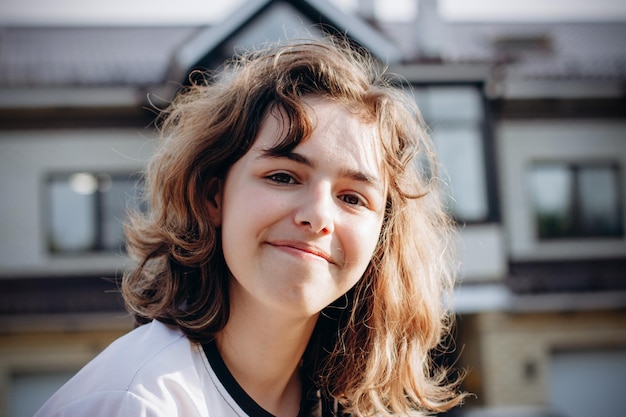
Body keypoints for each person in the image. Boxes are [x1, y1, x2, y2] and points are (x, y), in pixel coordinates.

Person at [35, 36, 466, 417]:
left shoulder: (344, 404)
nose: (318, 216)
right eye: (283, 176)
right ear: (213, 195)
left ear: (381, 237)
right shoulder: (138, 402)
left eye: (353, 198)